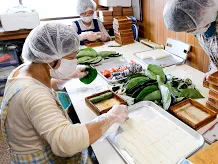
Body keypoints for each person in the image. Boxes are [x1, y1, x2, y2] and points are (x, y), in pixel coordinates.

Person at [0, 23, 128, 163]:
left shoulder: (25, 69)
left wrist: (67, 77)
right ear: (53, 59)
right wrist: (110, 117)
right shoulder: (33, 94)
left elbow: (43, 85)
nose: (75, 61)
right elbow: (66, 142)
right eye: (72, 57)